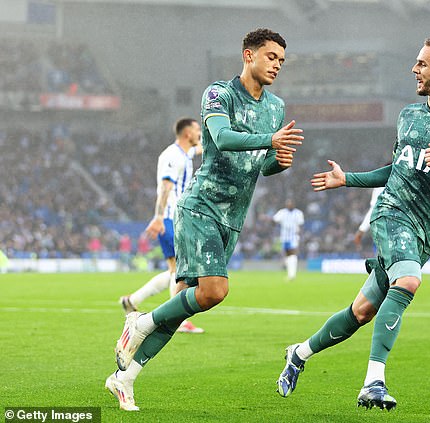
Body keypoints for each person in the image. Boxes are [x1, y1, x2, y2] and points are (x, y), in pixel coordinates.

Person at [276, 36, 430, 411]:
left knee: (360, 312)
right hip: (391, 214)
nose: (414, 69)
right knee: (409, 281)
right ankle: (373, 382)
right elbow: (394, 170)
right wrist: (348, 178)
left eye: (421, 64)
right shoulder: (408, 115)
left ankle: (298, 353)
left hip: (424, 232)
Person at [106, 28, 303, 412]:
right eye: (270, 57)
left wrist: (278, 161)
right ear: (248, 55)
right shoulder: (219, 94)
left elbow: (259, 165)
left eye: (281, 59)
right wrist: (269, 142)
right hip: (201, 207)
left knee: (183, 305)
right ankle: (139, 322)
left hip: (233, 217)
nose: (277, 64)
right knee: (214, 291)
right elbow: (224, 138)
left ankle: (124, 379)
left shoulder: (275, 108)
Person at [118, 117, 203, 335]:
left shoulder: (185, 153)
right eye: (196, 129)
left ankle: (132, 300)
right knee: (181, 272)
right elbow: (166, 187)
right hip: (169, 218)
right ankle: (177, 319)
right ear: (186, 133)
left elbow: (202, 149)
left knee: (175, 270)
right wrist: (158, 217)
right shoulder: (171, 155)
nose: (199, 132)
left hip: (178, 218)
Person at [273, 199, 304, 280]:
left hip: (293, 237)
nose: (289, 205)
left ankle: (292, 275)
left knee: (293, 253)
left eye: (290, 203)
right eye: (288, 204)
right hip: (284, 237)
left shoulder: (298, 213)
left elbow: (300, 225)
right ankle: (290, 272)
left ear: (293, 204)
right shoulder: (282, 212)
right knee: (287, 255)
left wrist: (299, 236)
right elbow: (274, 220)